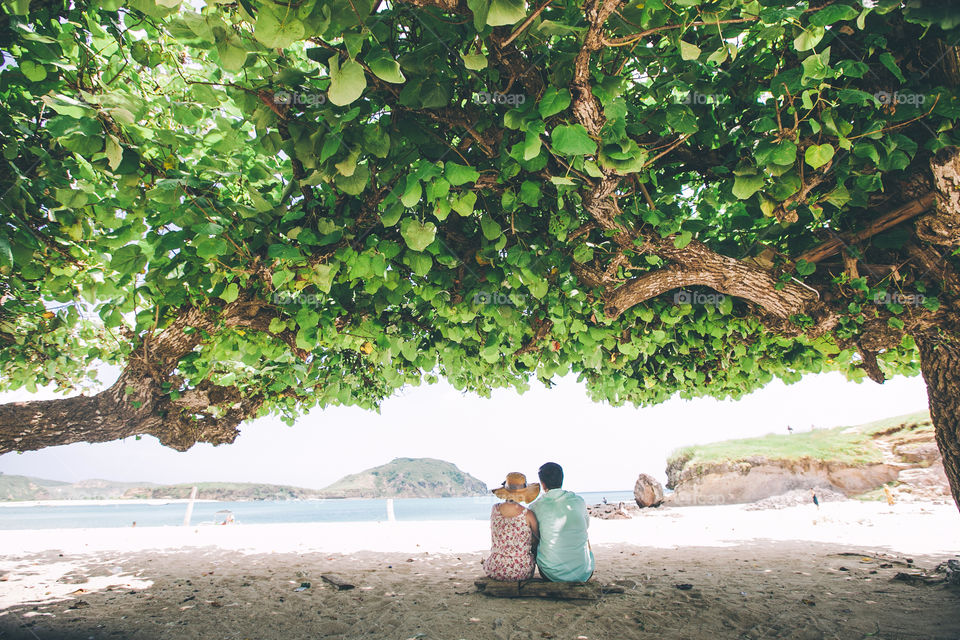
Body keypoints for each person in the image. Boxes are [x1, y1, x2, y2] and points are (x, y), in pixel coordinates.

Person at [529, 462, 595, 582]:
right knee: (584, 535)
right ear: (562, 479)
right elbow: (586, 526)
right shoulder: (578, 501)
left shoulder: (535, 507)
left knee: (536, 537)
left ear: (542, 484)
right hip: (584, 572)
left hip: (551, 574)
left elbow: (534, 538)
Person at [482, 472, 540, 581]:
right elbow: (538, 538)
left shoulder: (495, 509)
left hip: (495, 568)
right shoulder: (528, 514)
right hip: (521, 571)